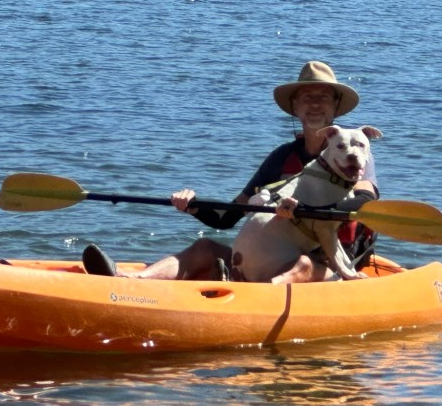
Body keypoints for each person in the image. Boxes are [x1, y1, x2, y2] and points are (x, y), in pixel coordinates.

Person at [81, 60, 379, 284]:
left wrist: (306, 210)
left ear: (335, 108)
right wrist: (195, 206)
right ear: (295, 108)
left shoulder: (353, 152)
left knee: (302, 264)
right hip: (272, 256)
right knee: (204, 247)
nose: (314, 104)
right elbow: (230, 217)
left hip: (330, 262)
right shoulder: (281, 158)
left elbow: (364, 200)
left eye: (323, 98)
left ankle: (250, 301)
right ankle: (131, 281)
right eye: (307, 98)